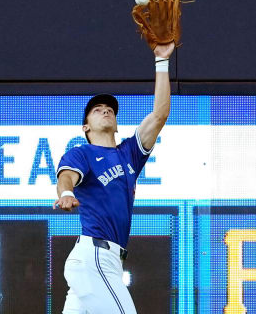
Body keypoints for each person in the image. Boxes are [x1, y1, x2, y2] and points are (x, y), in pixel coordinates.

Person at [53, 42, 175, 314]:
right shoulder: (82, 153)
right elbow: (66, 178)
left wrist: (162, 62)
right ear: (85, 127)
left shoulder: (129, 153)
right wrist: (66, 194)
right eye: (97, 109)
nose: (105, 110)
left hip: (106, 262)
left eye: (109, 109)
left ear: (117, 123)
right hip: (94, 256)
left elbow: (160, 115)